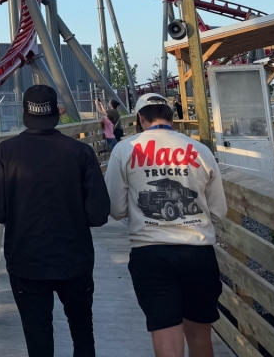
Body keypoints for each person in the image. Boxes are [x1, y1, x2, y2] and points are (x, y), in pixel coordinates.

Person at [0, 85, 110, 357]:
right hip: (74, 258)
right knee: (82, 333)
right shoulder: (81, 153)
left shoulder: (4, 154)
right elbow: (99, 215)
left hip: (26, 259)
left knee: (38, 338)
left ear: (23, 112)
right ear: (56, 112)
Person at [104, 93, 227, 357]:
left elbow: (115, 209)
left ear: (140, 118)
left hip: (151, 253)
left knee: (166, 336)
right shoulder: (200, 150)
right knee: (200, 336)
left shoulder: (125, 150)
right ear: (170, 117)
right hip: (198, 251)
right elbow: (219, 211)